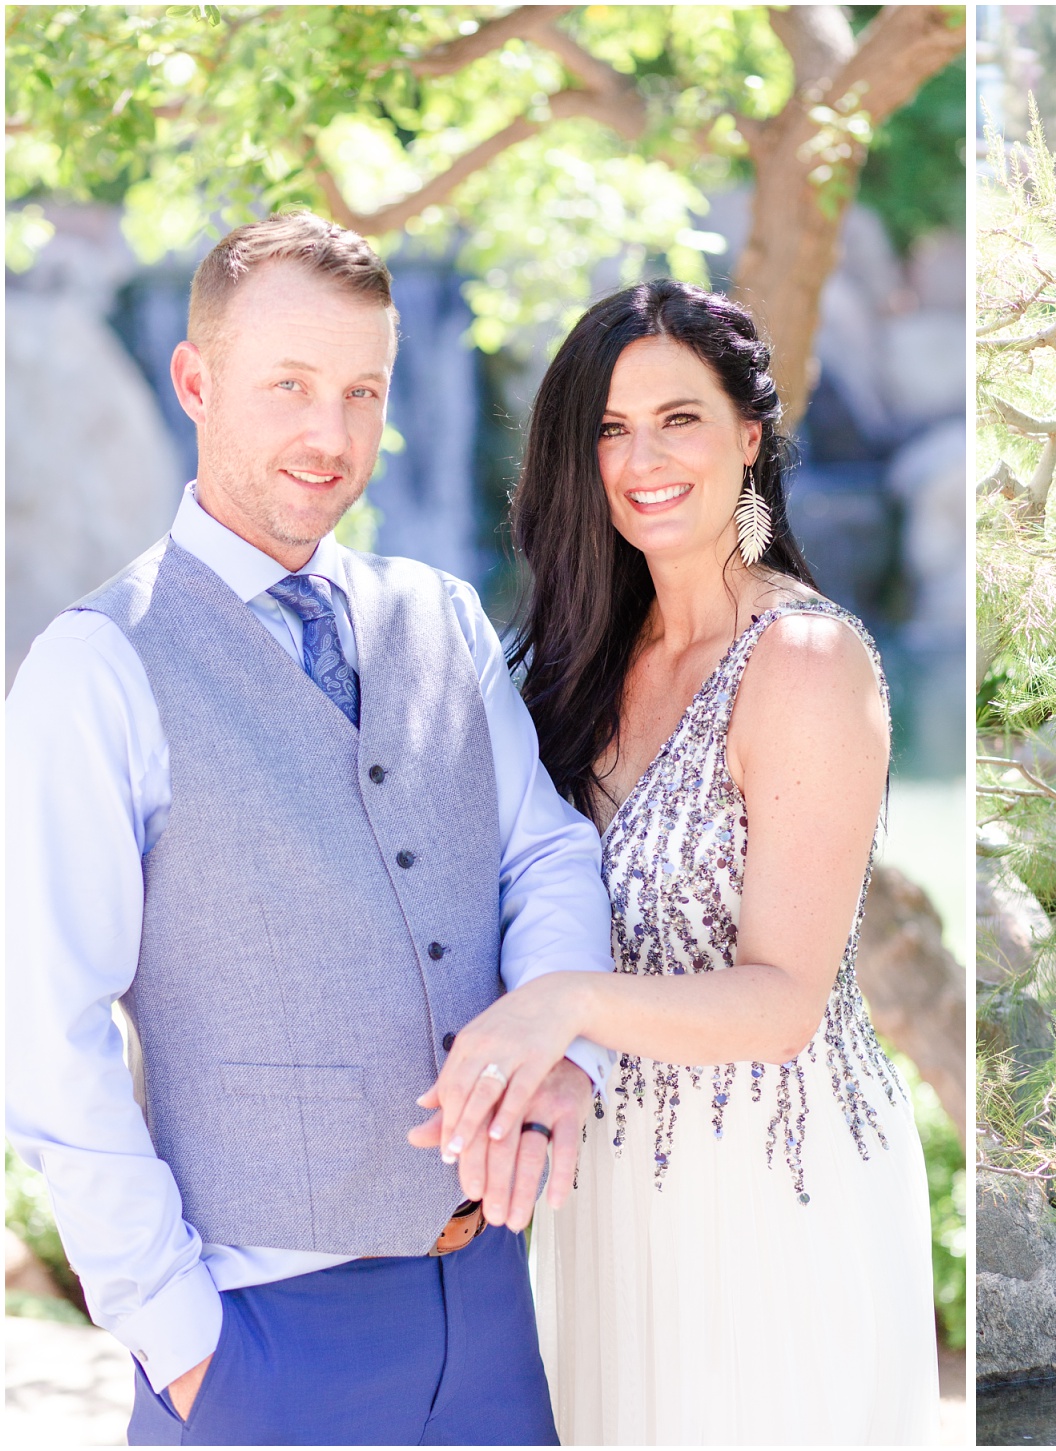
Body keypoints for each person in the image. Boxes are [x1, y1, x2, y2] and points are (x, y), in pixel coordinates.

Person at [5, 211, 616, 1445]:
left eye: (361, 391)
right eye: (288, 385)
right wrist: (179, 1342)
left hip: (490, 1300)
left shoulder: (439, 615)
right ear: (195, 379)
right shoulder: (97, 665)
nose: (329, 436)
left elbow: (548, 853)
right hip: (258, 1334)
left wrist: (563, 1047)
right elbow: (41, 1028)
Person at [409, 280, 940, 1443]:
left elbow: (785, 1000)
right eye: (609, 427)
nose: (641, 455)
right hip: (604, 1184)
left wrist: (566, 1003)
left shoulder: (803, 660)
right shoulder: (570, 659)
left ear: (750, 435)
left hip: (773, 1185)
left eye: (678, 418)